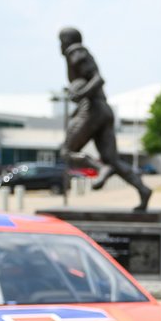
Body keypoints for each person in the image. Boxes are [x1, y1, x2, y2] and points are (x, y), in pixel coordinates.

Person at [57, 27, 153, 212]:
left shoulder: (75, 53)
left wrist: (81, 95)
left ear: (66, 41)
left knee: (66, 151)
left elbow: (98, 79)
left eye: (61, 41)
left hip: (93, 110)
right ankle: (143, 190)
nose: (60, 46)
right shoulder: (79, 53)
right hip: (103, 109)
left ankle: (99, 168)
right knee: (113, 160)